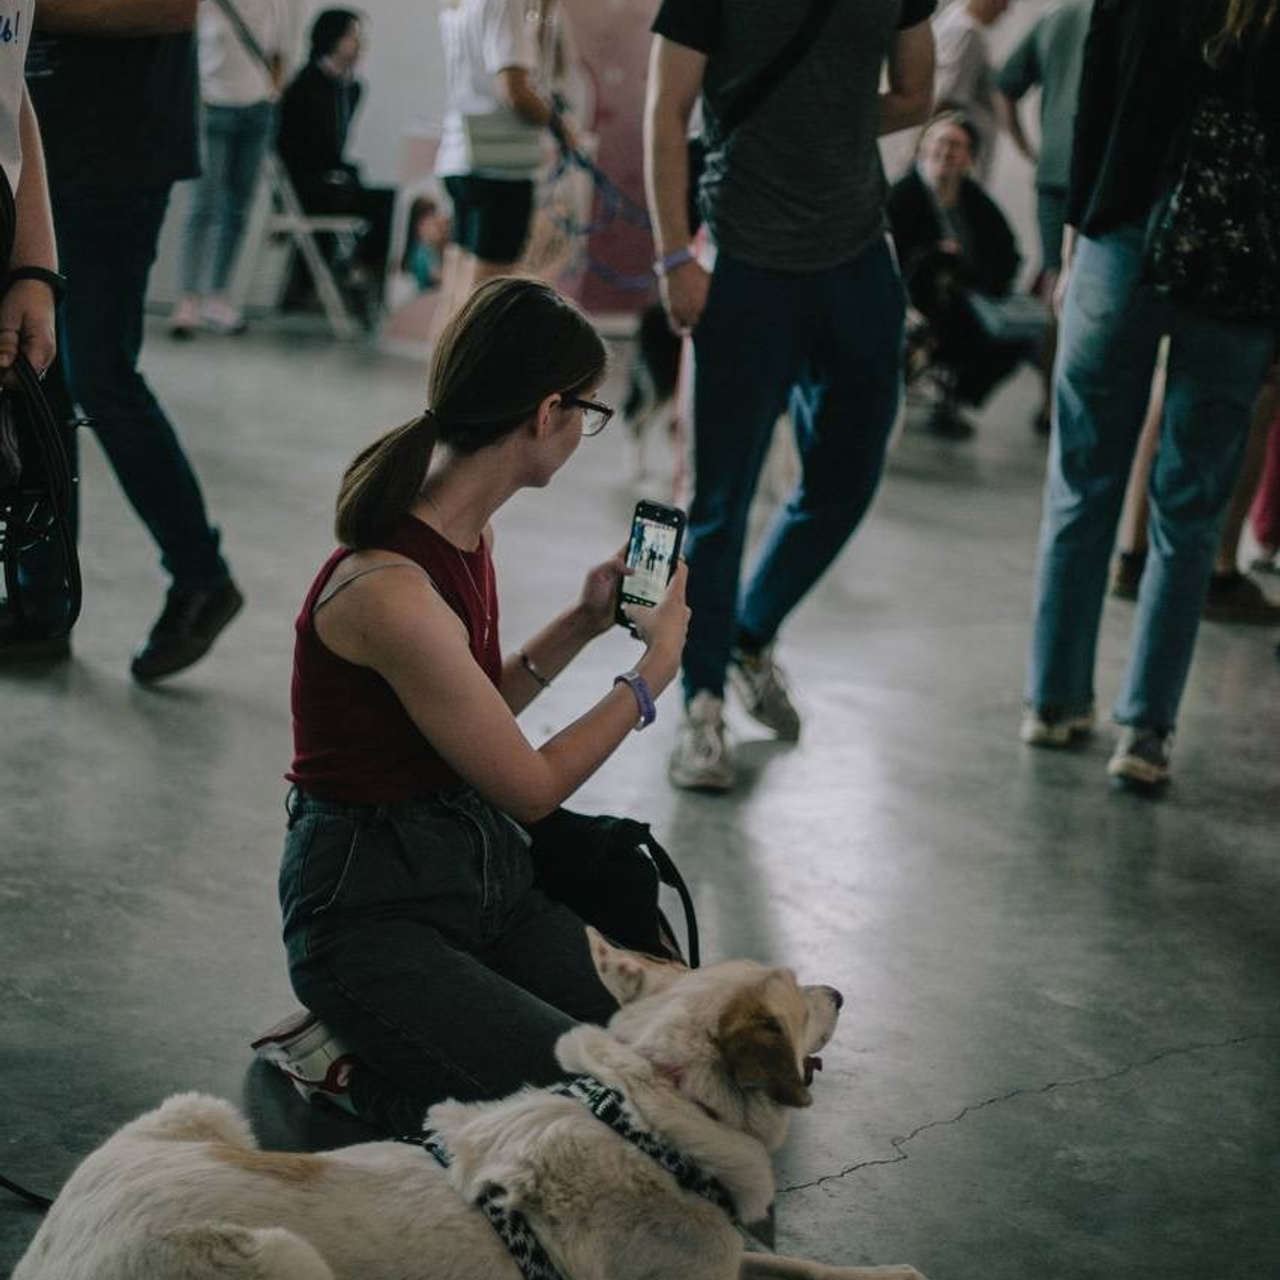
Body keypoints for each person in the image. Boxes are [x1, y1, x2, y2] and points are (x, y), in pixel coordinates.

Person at [253, 277, 690, 1135]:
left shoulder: (462, 534)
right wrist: (655, 671)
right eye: (589, 414)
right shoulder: (389, 589)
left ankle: (421, 1028)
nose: (585, 433)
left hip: (479, 880)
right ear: (547, 413)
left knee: (685, 1054)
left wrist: (584, 622)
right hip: (372, 914)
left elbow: (470, 715)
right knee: (596, 1111)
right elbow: (528, 788)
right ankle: (343, 1064)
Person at [644, 0, 936, 792]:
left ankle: (749, 631)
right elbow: (666, 110)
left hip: (856, 258)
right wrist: (672, 256)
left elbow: (918, 92)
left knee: (848, 476)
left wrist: (829, 124)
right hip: (744, 256)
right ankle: (702, 703)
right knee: (719, 498)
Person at [1022, 0, 1280, 791]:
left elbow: (1092, 106)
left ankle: (1054, 702)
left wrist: (1072, 242)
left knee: (1082, 483)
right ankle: (1146, 731)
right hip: (1242, 269)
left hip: (1120, 243)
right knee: (1192, 512)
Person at [12, 0, 244, 680]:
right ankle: (40, 601)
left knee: (100, 374)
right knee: (42, 375)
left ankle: (202, 576)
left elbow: (170, 8)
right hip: (58, 149)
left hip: (116, 154)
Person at [429, 0, 576, 342]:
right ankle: (471, 374)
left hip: (461, 156)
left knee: (456, 294)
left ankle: (442, 371)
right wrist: (558, 125)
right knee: (485, 302)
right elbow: (515, 89)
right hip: (499, 169)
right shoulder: (504, 3)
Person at [887, 110, 1023, 439]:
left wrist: (970, 271)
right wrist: (933, 256)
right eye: (940, 142)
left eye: (956, 146)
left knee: (1015, 336)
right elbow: (888, 254)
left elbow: (1007, 254)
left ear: (969, 157)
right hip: (910, 298)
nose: (946, 152)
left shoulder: (977, 201)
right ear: (924, 147)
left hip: (965, 298)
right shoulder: (901, 196)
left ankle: (955, 399)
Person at [169, 0, 294, 338]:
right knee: (203, 206)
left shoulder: (273, 5)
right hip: (213, 108)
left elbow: (278, 53)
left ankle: (217, 295)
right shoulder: (208, 5)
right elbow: (185, 51)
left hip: (257, 112)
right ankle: (188, 298)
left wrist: (271, 92)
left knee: (237, 209)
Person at [995, 0, 1091, 434]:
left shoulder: (1056, 18)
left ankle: (1050, 404)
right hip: (1103, 176)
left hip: (1055, 171)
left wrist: (1028, 149)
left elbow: (1005, 86)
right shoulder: (1130, 16)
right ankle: (1070, 405)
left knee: (1056, 283)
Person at [275, 7, 394, 314]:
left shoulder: (351, 88)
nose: (360, 43)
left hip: (331, 175)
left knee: (384, 199)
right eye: (352, 35)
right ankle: (351, 271)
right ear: (332, 37)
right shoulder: (304, 86)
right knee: (371, 202)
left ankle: (355, 268)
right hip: (305, 180)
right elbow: (297, 147)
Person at [932, 0, 1012, 183]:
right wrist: (919, 148)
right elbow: (946, 99)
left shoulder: (954, 18)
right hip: (960, 155)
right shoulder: (966, 32)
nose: (1006, 9)